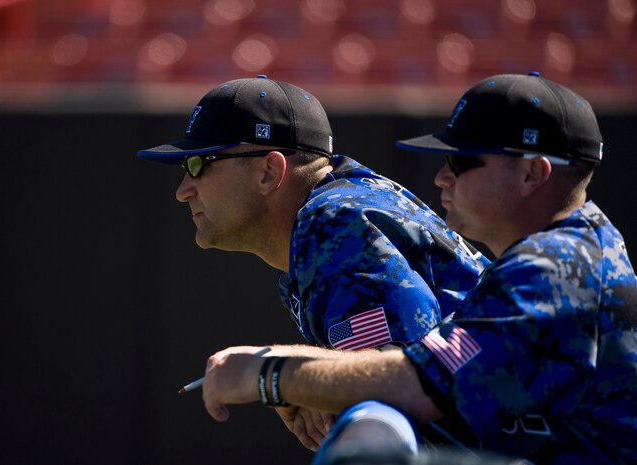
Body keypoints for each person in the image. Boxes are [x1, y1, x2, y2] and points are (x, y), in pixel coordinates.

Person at [198, 73, 637, 465]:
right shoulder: (570, 252)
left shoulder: (555, 268)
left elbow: (417, 386)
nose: (442, 179)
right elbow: (423, 368)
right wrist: (317, 381)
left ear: (531, 174)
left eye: (462, 162)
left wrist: (269, 374)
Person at [137, 75, 488, 449]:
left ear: (269, 172)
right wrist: (311, 389)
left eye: (198, 163)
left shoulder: (332, 222)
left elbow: (403, 386)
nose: (182, 190)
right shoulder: (338, 209)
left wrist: (275, 373)